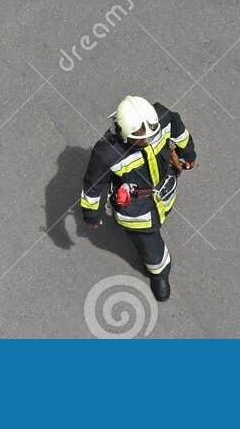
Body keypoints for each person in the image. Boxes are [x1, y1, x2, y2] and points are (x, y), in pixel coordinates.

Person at [79, 96, 196, 302]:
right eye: (139, 139)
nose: (147, 140)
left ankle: (160, 222)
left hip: (165, 189)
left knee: (161, 217)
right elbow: (93, 186)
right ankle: (160, 272)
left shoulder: (163, 118)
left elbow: (180, 135)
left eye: (152, 134)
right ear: (123, 134)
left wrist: (188, 154)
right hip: (136, 210)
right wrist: (91, 215)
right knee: (149, 244)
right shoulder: (107, 153)